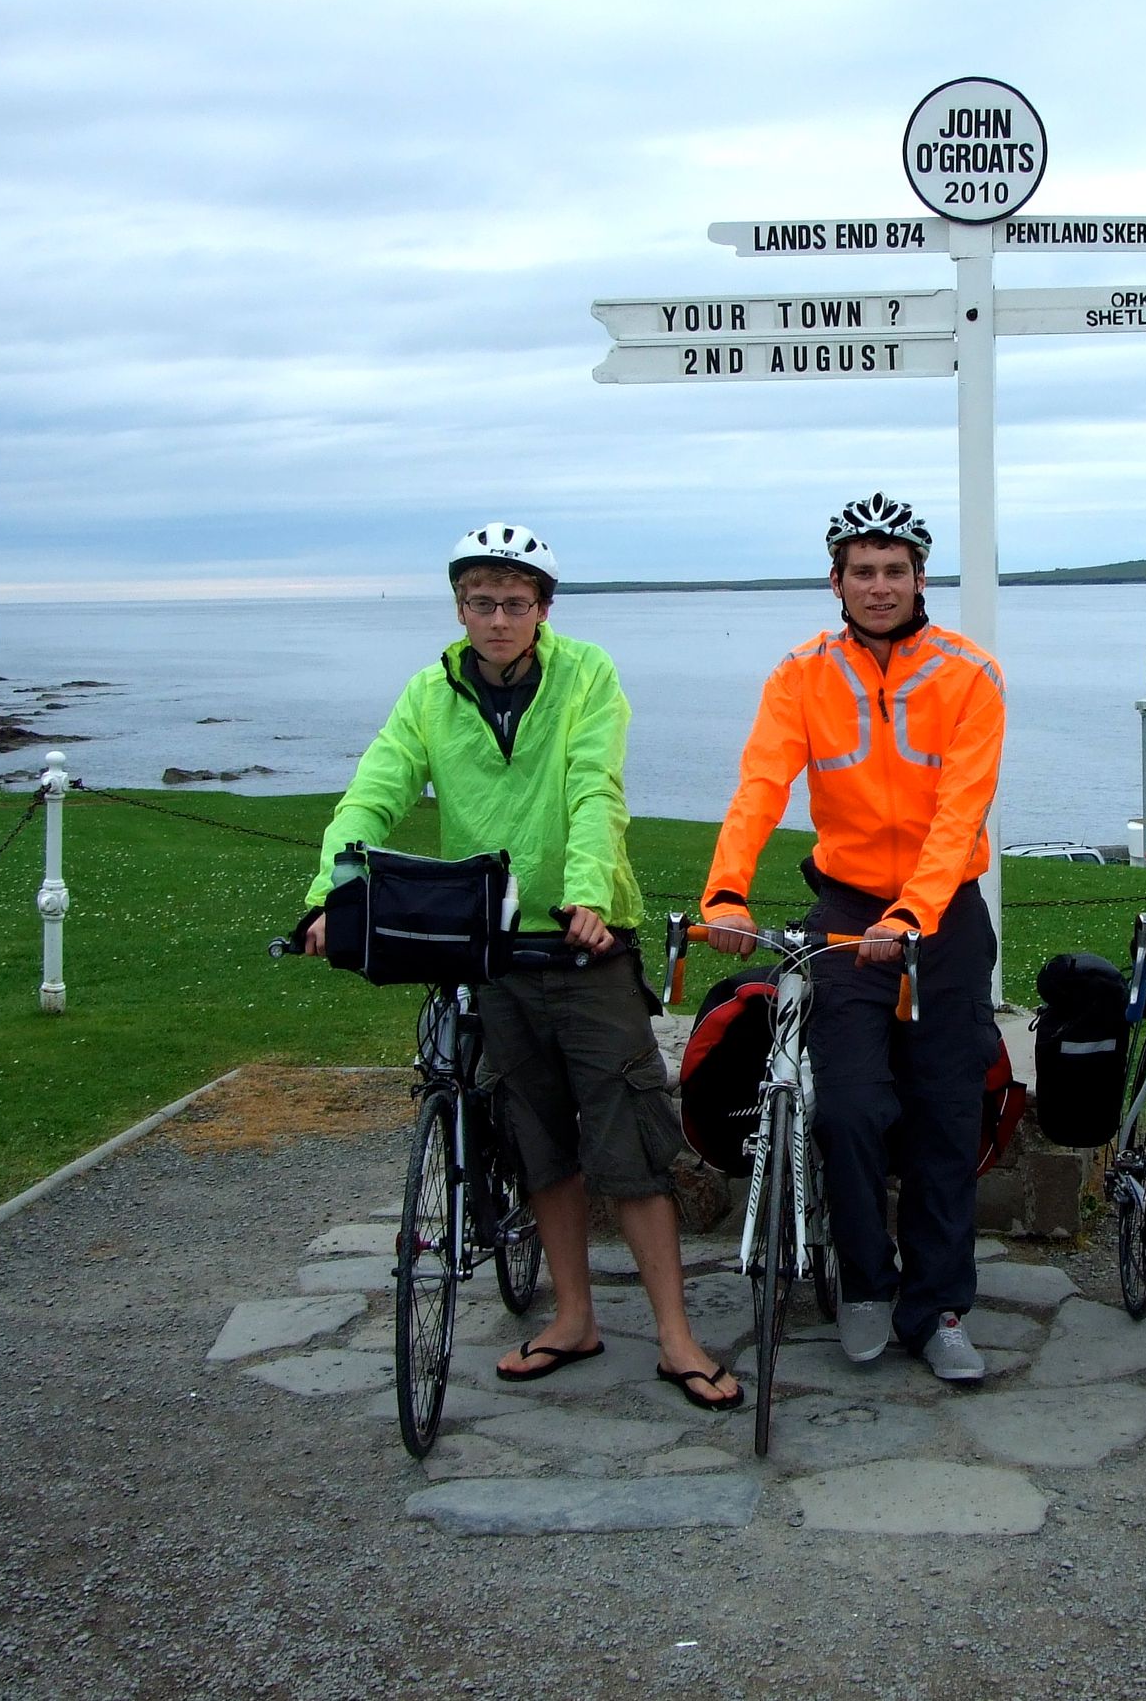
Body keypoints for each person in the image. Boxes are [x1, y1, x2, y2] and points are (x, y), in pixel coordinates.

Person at [303, 524, 741, 1411]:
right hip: (491, 944)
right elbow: (376, 788)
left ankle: (674, 1336)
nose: (497, 618)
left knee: (633, 1144)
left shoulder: (587, 675)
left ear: (543, 609)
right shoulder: (431, 692)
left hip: (585, 943)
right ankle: (573, 1317)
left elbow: (594, 786)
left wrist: (585, 892)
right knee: (538, 1141)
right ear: (460, 607)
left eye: (515, 602)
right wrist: (331, 895)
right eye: (480, 602)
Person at [701, 494, 1006, 1384]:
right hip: (842, 910)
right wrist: (727, 890)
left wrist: (912, 913)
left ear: (920, 579)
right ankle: (865, 1285)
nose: (879, 586)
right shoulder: (800, 673)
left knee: (948, 1114)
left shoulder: (971, 673)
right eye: (862, 571)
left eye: (895, 571)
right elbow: (762, 784)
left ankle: (940, 1306)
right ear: (836, 581)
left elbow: (962, 812)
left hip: (942, 921)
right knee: (847, 1109)